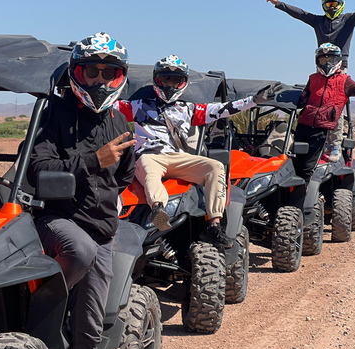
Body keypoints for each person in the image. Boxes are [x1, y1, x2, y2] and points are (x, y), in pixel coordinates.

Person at [28, 32, 135, 349]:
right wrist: (93, 161)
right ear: (77, 72)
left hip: (101, 231)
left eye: (110, 73)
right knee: (80, 251)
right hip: (57, 221)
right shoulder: (54, 114)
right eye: (92, 70)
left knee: (90, 330)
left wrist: (107, 168)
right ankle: (41, 308)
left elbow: (125, 175)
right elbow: (36, 167)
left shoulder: (121, 123)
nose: (100, 80)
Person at [116, 55, 278, 248]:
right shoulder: (138, 106)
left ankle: (214, 224)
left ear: (183, 83)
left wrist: (254, 100)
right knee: (148, 168)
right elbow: (104, 105)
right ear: (156, 80)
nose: (170, 84)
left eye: (176, 80)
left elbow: (223, 109)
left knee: (215, 167)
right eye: (165, 78)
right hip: (150, 155)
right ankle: (158, 210)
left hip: (178, 157)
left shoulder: (188, 110)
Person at [266, 0, 355, 159]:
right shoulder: (318, 21)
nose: (332, 7)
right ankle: (312, 139)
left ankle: (335, 144)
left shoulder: (348, 20)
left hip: (339, 68)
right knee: (315, 104)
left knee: (335, 105)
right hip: (321, 65)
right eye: (328, 4)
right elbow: (299, 13)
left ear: (341, 4)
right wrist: (278, 3)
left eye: (334, 4)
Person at [293, 43, 355, 178]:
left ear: (337, 61)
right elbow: (302, 100)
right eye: (323, 60)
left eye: (330, 60)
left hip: (323, 130)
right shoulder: (313, 78)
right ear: (317, 61)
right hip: (303, 126)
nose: (326, 63)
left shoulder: (345, 81)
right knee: (294, 163)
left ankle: (306, 196)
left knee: (307, 168)